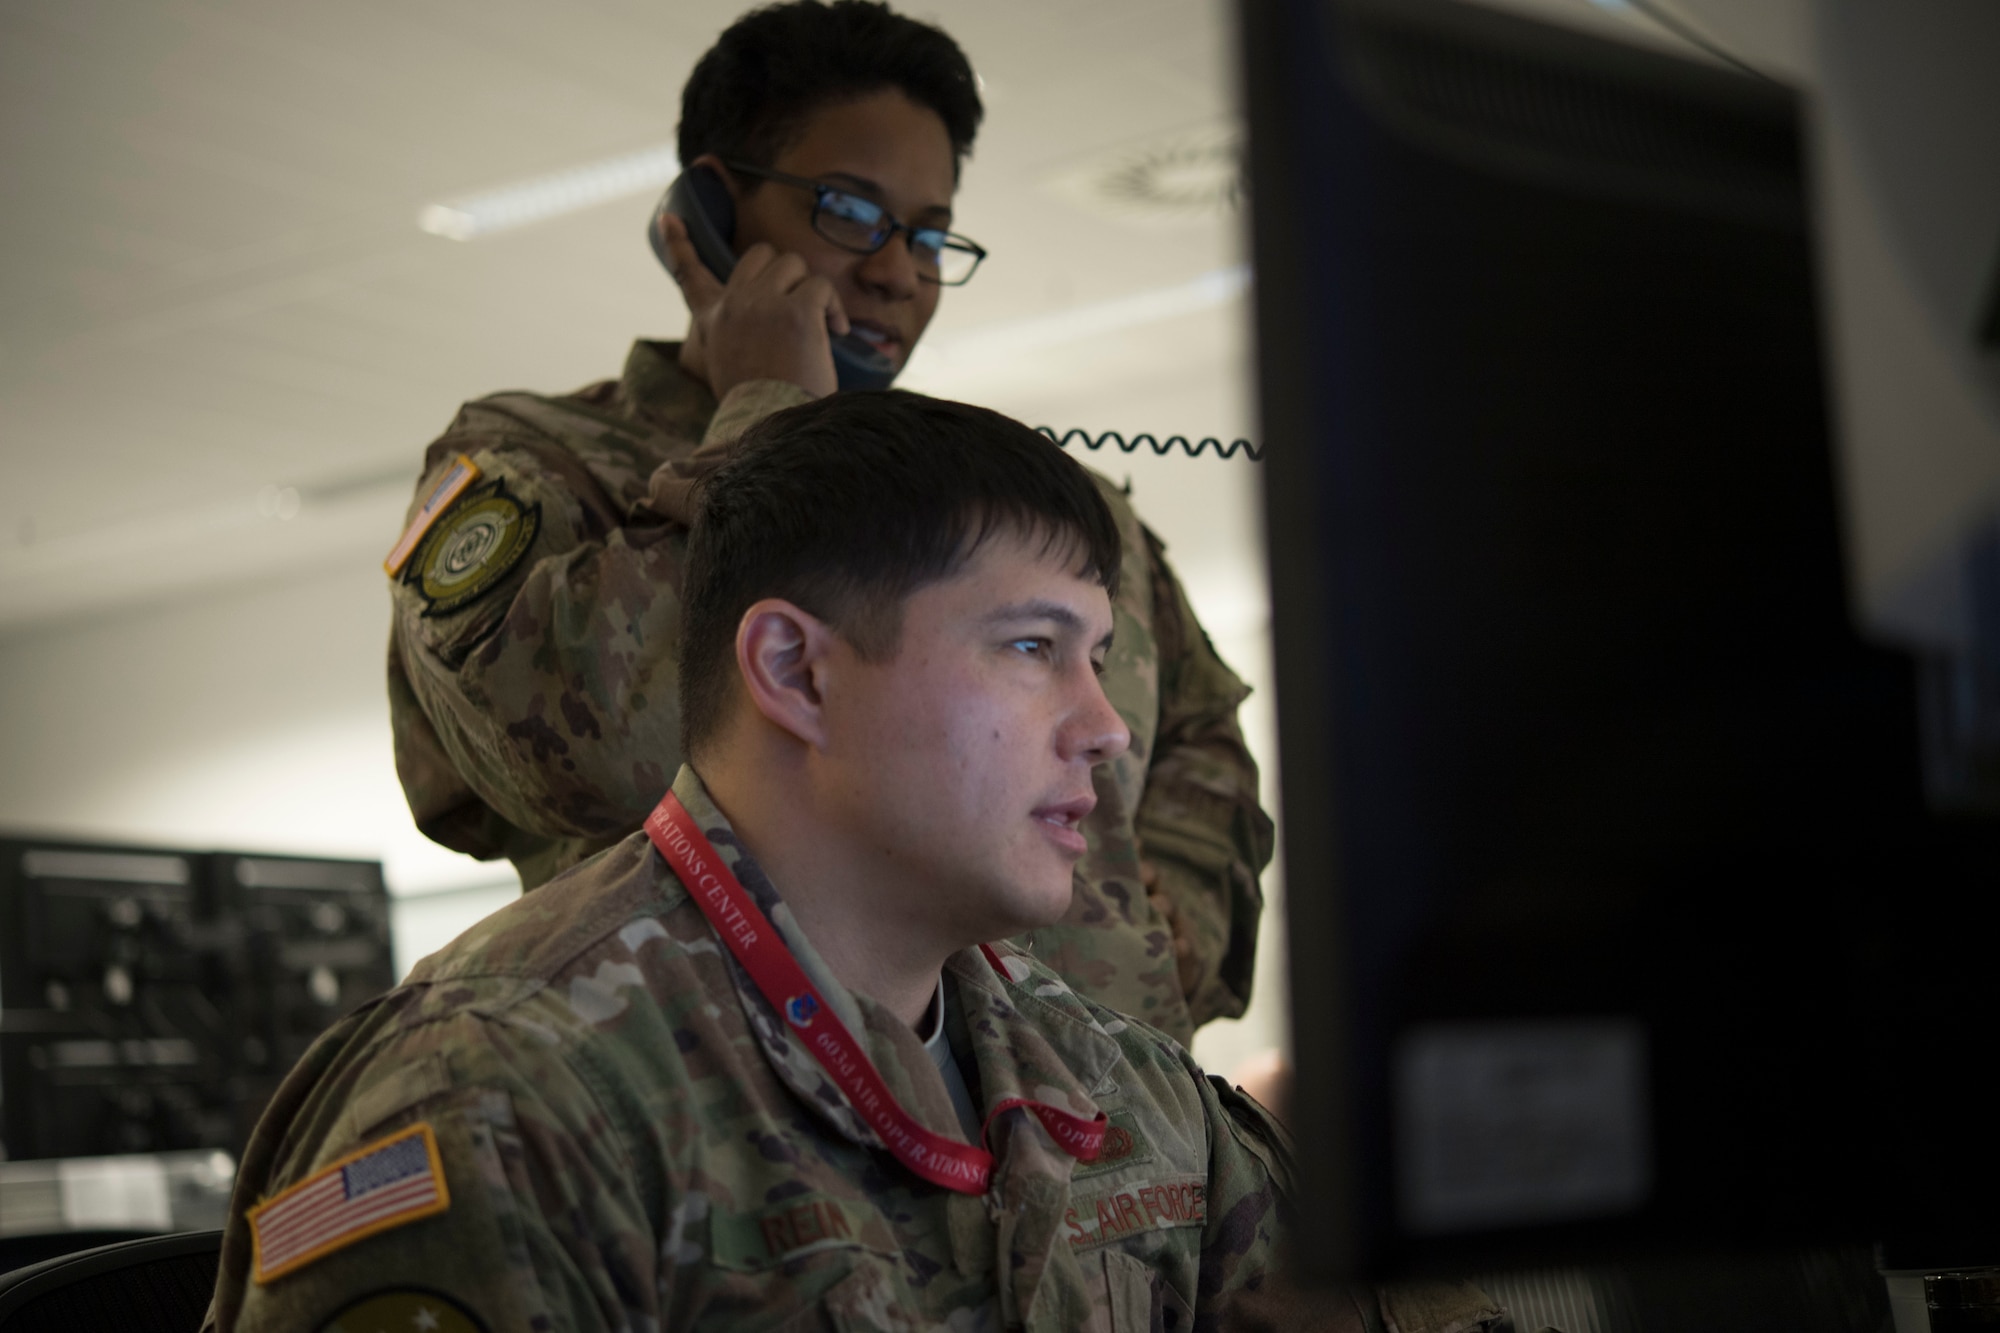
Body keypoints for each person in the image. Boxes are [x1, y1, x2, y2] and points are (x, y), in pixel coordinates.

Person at [207, 394, 1500, 1332]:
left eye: (1099, 656)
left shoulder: (1104, 1075)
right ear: (796, 670)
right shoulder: (497, 1093)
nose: (1106, 729)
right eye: (1034, 647)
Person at [385, 0, 1272, 1048]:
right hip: (734, 1113)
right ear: (709, 213)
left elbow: (1199, 741)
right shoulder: (531, 465)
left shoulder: (1026, 509)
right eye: (849, 212)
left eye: (930, 234)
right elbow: (602, 755)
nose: (898, 270)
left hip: (1082, 1122)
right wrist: (769, 423)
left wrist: (1144, 949)